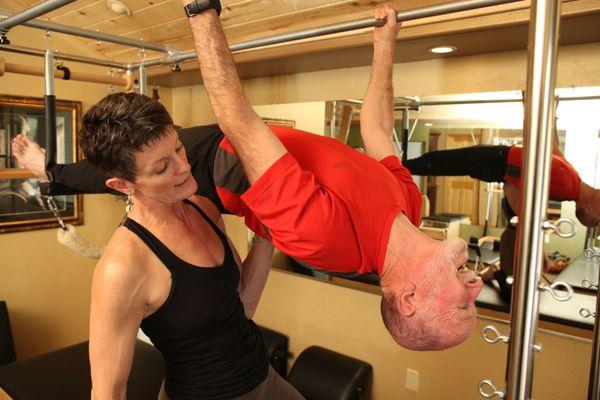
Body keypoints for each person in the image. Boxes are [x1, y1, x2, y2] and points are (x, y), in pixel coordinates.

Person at [78, 94, 303, 399]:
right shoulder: (122, 267)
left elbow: (242, 306)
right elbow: (107, 391)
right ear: (123, 185)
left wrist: (265, 235)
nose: (184, 167)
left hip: (264, 377)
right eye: (162, 168)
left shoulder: (203, 208)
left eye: (179, 147)